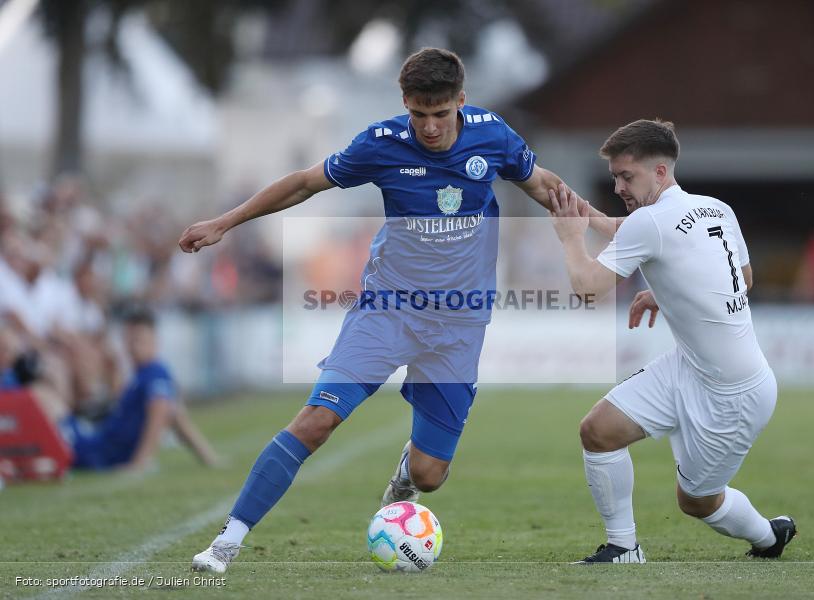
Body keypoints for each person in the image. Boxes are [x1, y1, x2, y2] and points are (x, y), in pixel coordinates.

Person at [183, 48, 595, 574]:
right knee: (316, 421)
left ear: (460, 103)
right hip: (388, 310)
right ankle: (226, 542)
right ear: (405, 104)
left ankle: (405, 472)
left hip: (460, 324)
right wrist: (225, 222)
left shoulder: (492, 135)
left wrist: (601, 222)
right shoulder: (379, 144)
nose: (429, 126)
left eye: (440, 114)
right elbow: (306, 182)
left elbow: (541, 185)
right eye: (418, 114)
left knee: (429, 475)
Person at [549, 119, 795, 563]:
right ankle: (623, 547)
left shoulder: (651, 222)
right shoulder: (716, 208)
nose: (620, 185)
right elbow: (744, 277)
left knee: (696, 501)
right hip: (690, 368)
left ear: (659, 172)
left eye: (628, 176)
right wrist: (675, 293)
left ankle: (768, 536)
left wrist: (570, 236)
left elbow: (589, 287)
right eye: (616, 177)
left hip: (733, 395)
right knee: (598, 431)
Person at [57, 306, 219, 471]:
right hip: (99, 442)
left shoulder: (155, 373)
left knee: (46, 401)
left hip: (100, 452)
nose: (133, 346)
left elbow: (160, 412)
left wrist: (140, 462)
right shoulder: (139, 374)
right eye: (129, 339)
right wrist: (207, 456)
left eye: (139, 339)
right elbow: (174, 415)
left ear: (154, 339)